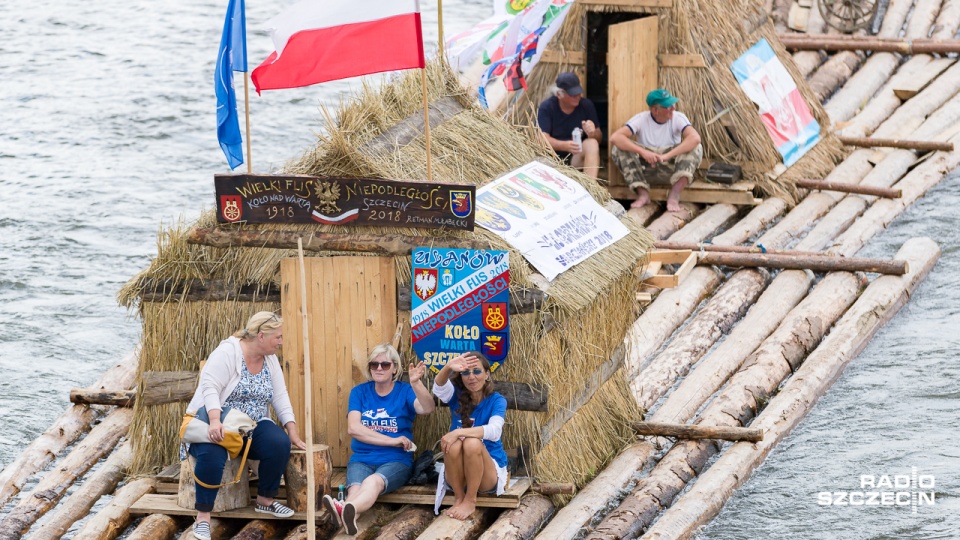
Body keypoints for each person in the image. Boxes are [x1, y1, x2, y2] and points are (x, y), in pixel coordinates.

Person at [183, 311, 307, 540]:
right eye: (278, 337)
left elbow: (280, 396)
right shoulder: (227, 352)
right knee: (212, 451)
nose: (281, 342)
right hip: (216, 419)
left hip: (251, 425)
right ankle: (203, 517)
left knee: (278, 443)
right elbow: (209, 387)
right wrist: (214, 421)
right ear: (261, 336)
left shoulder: (270, 360)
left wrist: (293, 433)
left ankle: (265, 501)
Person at [322, 344, 434, 535]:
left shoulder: (404, 391)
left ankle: (343, 510)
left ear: (395, 368)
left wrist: (416, 383)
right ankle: (349, 518)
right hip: (362, 457)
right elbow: (354, 428)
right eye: (375, 365)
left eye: (385, 364)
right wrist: (392, 440)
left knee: (372, 483)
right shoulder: (360, 392)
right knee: (355, 491)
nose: (379, 368)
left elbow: (427, 408)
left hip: (396, 461)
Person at [432, 351, 509, 520]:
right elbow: (438, 388)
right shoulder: (457, 396)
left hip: (486, 475)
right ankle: (459, 497)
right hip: (459, 475)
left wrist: (458, 432)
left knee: (471, 443)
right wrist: (448, 367)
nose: (471, 377)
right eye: (466, 373)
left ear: (487, 374)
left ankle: (470, 500)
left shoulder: (497, 400)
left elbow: (495, 431)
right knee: (453, 444)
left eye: (477, 371)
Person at [610, 88, 703, 212]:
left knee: (696, 147)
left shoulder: (678, 117)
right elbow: (615, 137)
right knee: (618, 148)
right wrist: (643, 152)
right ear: (655, 110)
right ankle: (642, 192)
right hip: (647, 169)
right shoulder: (641, 119)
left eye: (673, 104)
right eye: (668, 106)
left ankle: (674, 194)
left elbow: (695, 138)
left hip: (670, 171)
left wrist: (667, 155)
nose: (673, 108)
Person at [537, 71, 603, 179]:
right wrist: (565, 146)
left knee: (592, 143)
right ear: (559, 94)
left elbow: (599, 138)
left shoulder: (586, 105)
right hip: (551, 160)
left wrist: (592, 133)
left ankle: (591, 187)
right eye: (573, 94)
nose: (578, 96)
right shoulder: (547, 107)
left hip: (576, 159)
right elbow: (541, 139)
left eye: (578, 92)